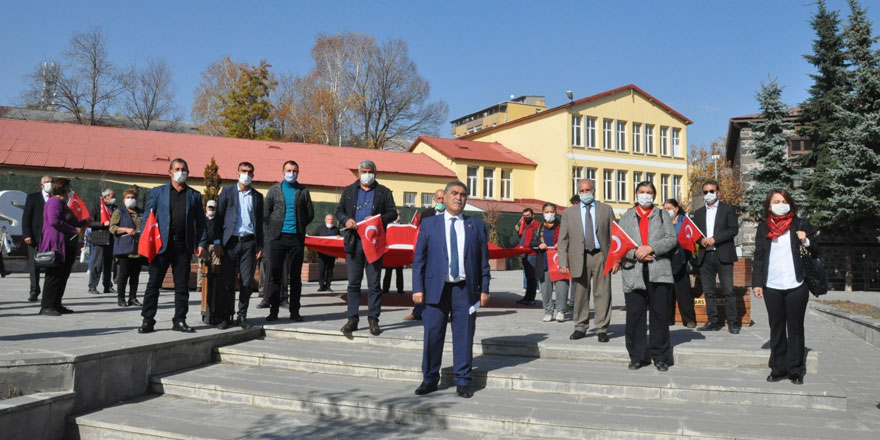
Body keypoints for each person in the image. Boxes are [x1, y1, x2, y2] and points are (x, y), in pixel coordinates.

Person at [412, 181, 490, 399]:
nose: (459, 197)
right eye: (454, 193)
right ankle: (429, 379)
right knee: (433, 335)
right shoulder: (430, 225)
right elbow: (419, 260)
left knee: (464, 336)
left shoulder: (476, 226)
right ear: (444, 198)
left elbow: (484, 261)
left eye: (463, 194)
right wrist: (417, 288)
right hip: (435, 289)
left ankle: (463, 380)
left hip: (464, 291)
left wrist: (484, 289)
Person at [752, 189, 815, 385]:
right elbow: (760, 256)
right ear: (769, 206)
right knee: (776, 327)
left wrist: (806, 240)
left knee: (795, 327)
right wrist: (757, 283)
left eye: (784, 200)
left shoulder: (800, 224)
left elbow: (817, 249)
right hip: (772, 284)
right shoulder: (764, 227)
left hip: (796, 283)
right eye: (776, 201)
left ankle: (795, 370)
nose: (781, 204)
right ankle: (778, 368)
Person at [138, 158, 207, 334]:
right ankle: (148, 320)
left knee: (182, 286)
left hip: (183, 247)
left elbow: (201, 223)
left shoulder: (194, 195)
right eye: (177, 169)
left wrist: (201, 242)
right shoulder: (158, 193)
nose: (181, 172)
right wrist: (145, 240)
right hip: (161, 246)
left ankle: (180, 320)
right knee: (153, 284)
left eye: (184, 169)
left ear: (188, 172)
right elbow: (147, 218)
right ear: (170, 172)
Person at [618, 182, 677, 371]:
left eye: (649, 192)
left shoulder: (661, 215)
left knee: (660, 316)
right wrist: (635, 252)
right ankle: (636, 355)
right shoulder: (626, 216)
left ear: (654, 195)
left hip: (658, 271)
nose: (645, 195)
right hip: (633, 272)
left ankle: (660, 356)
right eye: (642, 192)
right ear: (635, 194)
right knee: (635, 316)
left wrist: (651, 248)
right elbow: (619, 243)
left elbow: (671, 239)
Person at [336, 160, 397, 336]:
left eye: (370, 171)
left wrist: (377, 219)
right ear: (358, 173)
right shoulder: (348, 191)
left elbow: (392, 212)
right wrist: (346, 220)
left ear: (375, 173)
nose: (367, 174)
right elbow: (339, 210)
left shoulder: (384, 192)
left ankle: (373, 319)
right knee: (353, 284)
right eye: (364, 171)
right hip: (354, 242)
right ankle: (352, 319)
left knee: (374, 284)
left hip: (374, 244)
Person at [558, 179, 614, 342]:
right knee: (581, 294)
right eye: (581, 191)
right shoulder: (569, 213)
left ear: (594, 190)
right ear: (578, 192)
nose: (585, 194)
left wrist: (615, 260)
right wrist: (563, 261)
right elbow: (563, 239)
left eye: (587, 190)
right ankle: (580, 326)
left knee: (603, 293)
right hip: (579, 256)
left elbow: (614, 236)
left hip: (601, 256)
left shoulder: (606, 210)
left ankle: (602, 328)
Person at [215, 161, 265, 329]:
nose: (246, 174)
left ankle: (242, 316)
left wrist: (260, 245)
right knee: (227, 282)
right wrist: (217, 242)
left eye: (250, 172)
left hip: (249, 243)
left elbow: (260, 223)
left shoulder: (257, 196)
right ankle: (225, 316)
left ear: (253, 174)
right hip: (230, 243)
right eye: (243, 171)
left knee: (246, 282)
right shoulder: (227, 192)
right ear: (237, 172)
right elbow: (218, 218)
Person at [264, 160, 314, 322]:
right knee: (275, 275)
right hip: (277, 238)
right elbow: (266, 213)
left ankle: (295, 311)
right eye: (289, 170)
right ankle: (273, 310)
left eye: (295, 171)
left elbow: (310, 213)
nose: (291, 173)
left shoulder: (303, 191)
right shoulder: (274, 190)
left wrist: (299, 225)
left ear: (298, 173)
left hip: (296, 239)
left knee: (295, 277)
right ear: (283, 171)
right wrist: (271, 232)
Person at [693, 180, 740, 333]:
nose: (708, 194)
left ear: (718, 192)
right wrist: (701, 240)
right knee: (709, 291)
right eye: (705, 192)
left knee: (728, 290)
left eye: (711, 191)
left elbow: (733, 229)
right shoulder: (698, 213)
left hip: (723, 254)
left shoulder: (728, 209)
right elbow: (694, 233)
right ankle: (713, 321)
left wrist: (715, 238)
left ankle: (733, 322)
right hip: (705, 256)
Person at [38, 178, 88, 316]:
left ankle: (56, 304)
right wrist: (73, 230)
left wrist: (85, 221)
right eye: (69, 187)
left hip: (66, 244)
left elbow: (69, 221)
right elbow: (54, 221)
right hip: (56, 243)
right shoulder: (54, 202)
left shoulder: (62, 203)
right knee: (54, 276)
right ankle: (46, 306)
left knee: (62, 275)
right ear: (63, 188)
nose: (70, 190)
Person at [404, 189, 445, 321]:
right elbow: (419, 235)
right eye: (439, 199)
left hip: (445, 256)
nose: (441, 201)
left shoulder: (452, 215)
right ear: (434, 200)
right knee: (424, 283)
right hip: (429, 255)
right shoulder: (427, 214)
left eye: (443, 198)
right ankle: (417, 312)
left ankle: (443, 312)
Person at [530, 203, 568, 322]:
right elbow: (532, 244)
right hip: (544, 263)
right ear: (543, 213)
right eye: (546, 212)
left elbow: (571, 241)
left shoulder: (563, 227)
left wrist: (561, 244)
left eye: (551, 211)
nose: (549, 214)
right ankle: (548, 311)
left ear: (556, 213)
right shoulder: (538, 229)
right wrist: (539, 244)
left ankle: (561, 311)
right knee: (546, 289)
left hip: (559, 262)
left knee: (562, 288)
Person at [663, 198, 697, 328]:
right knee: (667, 291)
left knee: (683, 291)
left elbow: (690, 236)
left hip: (681, 259)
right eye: (664, 209)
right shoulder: (661, 222)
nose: (667, 211)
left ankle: (689, 319)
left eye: (669, 208)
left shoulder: (685, 221)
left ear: (676, 209)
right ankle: (668, 319)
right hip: (666, 259)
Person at [109, 188, 145, 307]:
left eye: (133, 197)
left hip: (138, 249)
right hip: (124, 248)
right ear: (124, 199)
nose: (131, 200)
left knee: (135, 275)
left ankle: (133, 297)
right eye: (128, 198)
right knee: (123, 274)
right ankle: (121, 298)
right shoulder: (119, 211)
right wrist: (125, 229)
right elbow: (112, 227)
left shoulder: (141, 212)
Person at [22, 175, 53, 301]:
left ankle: (49, 292)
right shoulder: (33, 198)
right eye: (47, 182)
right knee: (34, 265)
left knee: (51, 265)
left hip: (51, 238)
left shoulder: (56, 199)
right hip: (35, 237)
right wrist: (27, 234)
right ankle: (34, 291)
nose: (50, 184)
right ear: (42, 185)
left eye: (51, 182)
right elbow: (26, 218)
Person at [87, 189, 117, 295]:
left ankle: (107, 286)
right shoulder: (96, 206)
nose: (113, 198)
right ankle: (92, 286)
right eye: (111, 196)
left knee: (108, 265)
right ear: (105, 197)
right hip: (99, 238)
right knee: (97, 264)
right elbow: (89, 222)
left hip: (111, 239)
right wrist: (102, 223)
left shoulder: (115, 208)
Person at [515, 208, 540, 305]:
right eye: (524, 216)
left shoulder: (537, 226)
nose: (526, 217)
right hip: (525, 253)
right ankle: (527, 297)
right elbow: (523, 238)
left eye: (528, 215)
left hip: (532, 254)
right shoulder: (525, 225)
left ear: (533, 215)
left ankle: (531, 298)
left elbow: (536, 240)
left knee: (531, 277)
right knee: (528, 276)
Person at [382, 210, 405, 295]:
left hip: (399, 253)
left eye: (399, 215)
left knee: (399, 272)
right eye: (396, 214)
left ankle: (400, 289)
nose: (397, 216)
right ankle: (385, 288)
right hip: (390, 252)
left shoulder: (403, 226)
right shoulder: (389, 225)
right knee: (388, 272)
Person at [315, 214, 340, 292]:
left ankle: (328, 286)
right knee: (321, 269)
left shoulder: (336, 229)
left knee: (330, 270)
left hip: (331, 254)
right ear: (325, 220)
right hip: (321, 254)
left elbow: (339, 241)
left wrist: (338, 237)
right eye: (329, 219)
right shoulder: (320, 229)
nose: (331, 221)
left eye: (332, 219)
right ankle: (321, 286)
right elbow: (315, 239)